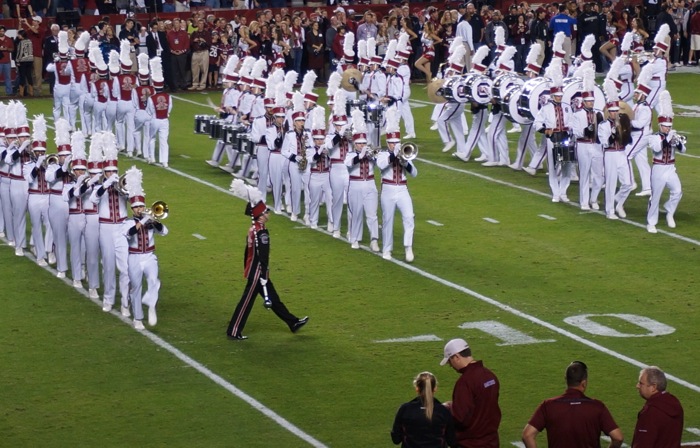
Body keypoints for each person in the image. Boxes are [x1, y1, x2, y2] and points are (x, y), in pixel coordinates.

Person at [226, 179, 309, 340]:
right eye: (266, 212)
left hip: (256, 270)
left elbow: (247, 253)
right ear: (260, 216)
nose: (268, 214)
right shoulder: (261, 233)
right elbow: (262, 256)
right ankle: (234, 330)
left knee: (274, 299)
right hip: (258, 272)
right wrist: (262, 274)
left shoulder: (254, 229)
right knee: (246, 302)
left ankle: (292, 322)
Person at [521, 361, 624, 448]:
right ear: (584, 383)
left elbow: (527, 435)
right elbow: (618, 437)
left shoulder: (548, 405)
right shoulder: (597, 407)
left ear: (566, 380)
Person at [123, 166, 168, 330]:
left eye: (141, 206)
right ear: (132, 209)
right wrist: (143, 221)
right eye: (136, 207)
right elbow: (130, 232)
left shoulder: (150, 221)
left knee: (153, 281)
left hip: (149, 256)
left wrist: (154, 221)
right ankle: (138, 318)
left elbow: (165, 232)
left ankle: (150, 303)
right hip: (134, 257)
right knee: (136, 287)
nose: (139, 209)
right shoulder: (128, 221)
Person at [440, 338, 501, 448]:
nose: (450, 365)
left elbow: (460, 418)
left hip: (470, 444)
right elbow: (482, 405)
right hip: (491, 442)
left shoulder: (465, 382)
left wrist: (448, 410)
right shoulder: (490, 376)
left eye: (450, 361)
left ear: (457, 357)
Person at [646, 90, 685, 234]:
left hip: (670, 168)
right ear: (660, 125)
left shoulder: (673, 136)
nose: (667, 129)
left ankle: (669, 211)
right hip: (658, 168)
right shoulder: (654, 137)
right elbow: (657, 149)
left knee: (678, 190)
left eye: (669, 126)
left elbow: (683, 150)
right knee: (655, 196)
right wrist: (668, 140)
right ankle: (651, 222)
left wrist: (678, 142)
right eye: (665, 126)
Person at [391, 372, 457, 448]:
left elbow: (396, 439)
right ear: (435, 388)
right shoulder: (443, 411)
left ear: (417, 388)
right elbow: (451, 440)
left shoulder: (405, 409)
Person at [632, 366, 684, 447]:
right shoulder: (675, 404)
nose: (637, 386)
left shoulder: (650, 412)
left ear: (653, 387)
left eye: (641, 383)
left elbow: (643, 444)